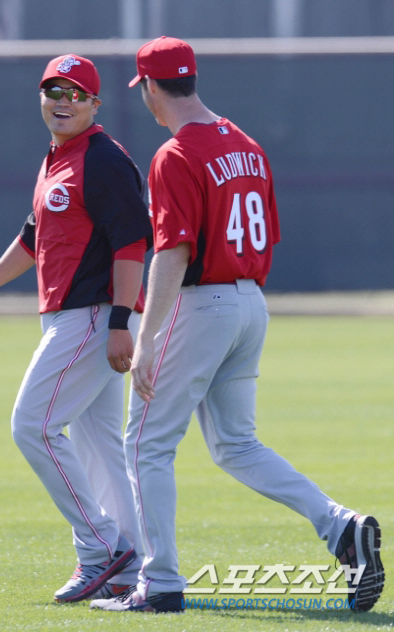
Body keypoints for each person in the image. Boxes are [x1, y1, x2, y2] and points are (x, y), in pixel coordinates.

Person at [91, 36, 384, 614]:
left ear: (151, 88)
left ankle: (161, 583)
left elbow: (173, 252)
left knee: (146, 445)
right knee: (236, 444)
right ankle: (341, 526)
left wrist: (147, 339)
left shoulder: (175, 153)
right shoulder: (246, 144)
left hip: (201, 306)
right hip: (249, 302)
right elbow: (265, 233)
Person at [0, 54, 153, 603]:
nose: (62, 101)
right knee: (99, 446)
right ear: (41, 98)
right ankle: (134, 568)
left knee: (32, 426)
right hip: (73, 315)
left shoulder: (103, 159)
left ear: (95, 103)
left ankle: (100, 548)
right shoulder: (57, 158)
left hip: (92, 315)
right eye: (53, 91)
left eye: (75, 93)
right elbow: (31, 239)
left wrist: (121, 321)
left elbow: (133, 243)